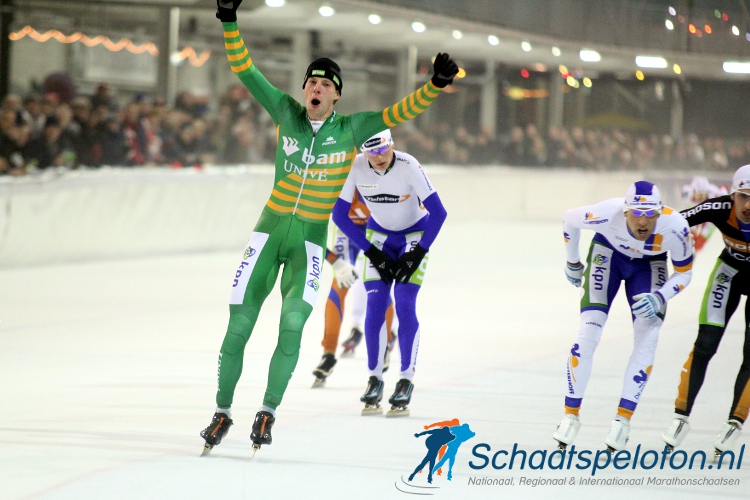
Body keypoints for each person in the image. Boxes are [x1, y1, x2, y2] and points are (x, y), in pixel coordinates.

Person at [200, 0, 458, 454]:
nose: (316, 88)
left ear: (336, 95)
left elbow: (398, 113)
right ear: (304, 91)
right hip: (268, 232)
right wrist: (229, 19)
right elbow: (245, 69)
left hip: (310, 240)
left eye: (324, 84)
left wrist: (434, 85)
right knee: (238, 326)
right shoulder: (284, 111)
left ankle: (268, 410)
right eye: (311, 82)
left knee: (294, 323)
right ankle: (221, 411)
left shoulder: (353, 129)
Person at [553, 181, 693, 452]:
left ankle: (623, 421)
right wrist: (573, 262)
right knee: (588, 334)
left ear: (660, 212)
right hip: (608, 256)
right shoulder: (609, 212)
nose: (643, 221)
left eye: (650, 214)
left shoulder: (675, 226)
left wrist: (661, 296)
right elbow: (570, 219)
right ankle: (570, 414)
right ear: (625, 211)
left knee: (648, 337)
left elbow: (685, 272)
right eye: (637, 213)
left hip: (649, 266)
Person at [331, 129, 448, 417]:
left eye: (383, 150)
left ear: (392, 145)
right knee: (375, 304)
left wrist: (418, 252)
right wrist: (370, 251)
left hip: (413, 236)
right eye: (371, 152)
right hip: (379, 237)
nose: (378, 157)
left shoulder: (409, 165)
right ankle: (375, 379)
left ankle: (406, 380)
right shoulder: (356, 166)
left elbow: (439, 213)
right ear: (363, 152)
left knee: (405, 302)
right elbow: (338, 215)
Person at [662, 165, 750, 457]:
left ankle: (734, 422)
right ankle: (680, 417)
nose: (748, 206)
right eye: (743, 197)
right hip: (729, 272)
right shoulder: (719, 207)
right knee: (704, 346)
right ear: (732, 195)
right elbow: (675, 221)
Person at [312, 199, 398, 388]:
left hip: (376, 228)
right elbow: (309, 231)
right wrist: (333, 260)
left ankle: (385, 342)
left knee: (379, 285)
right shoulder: (336, 181)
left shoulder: (376, 175)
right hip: (346, 229)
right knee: (340, 284)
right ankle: (328, 353)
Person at [681, 175, 729, 252]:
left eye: (703, 195)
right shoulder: (686, 194)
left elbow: (724, 191)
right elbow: (689, 212)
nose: (701, 198)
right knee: (691, 238)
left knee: (699, 244)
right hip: (696, 209)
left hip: (711, 214)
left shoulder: (716, 194)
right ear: (693, 192)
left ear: (707, 193)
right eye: (698, 195)